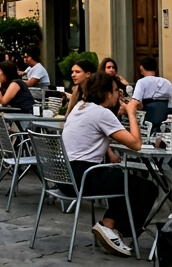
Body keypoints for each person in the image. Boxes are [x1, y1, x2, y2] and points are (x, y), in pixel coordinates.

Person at [63, 71, 157, 256]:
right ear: (107, 94)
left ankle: (109, 225)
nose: (118, 95)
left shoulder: (80, 107)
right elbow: (136, 144)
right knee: (147, 188)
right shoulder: (101, 113)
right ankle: (114, 229)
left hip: (65, 177)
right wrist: (131, 112)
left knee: (121, 179)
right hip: (84, 177)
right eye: (116, 91)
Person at [131, 57, 172, 129]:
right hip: (165, 119)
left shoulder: (141, 82)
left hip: (148, 118)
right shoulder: (167, 82)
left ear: (141, 68)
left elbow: (135, 102)